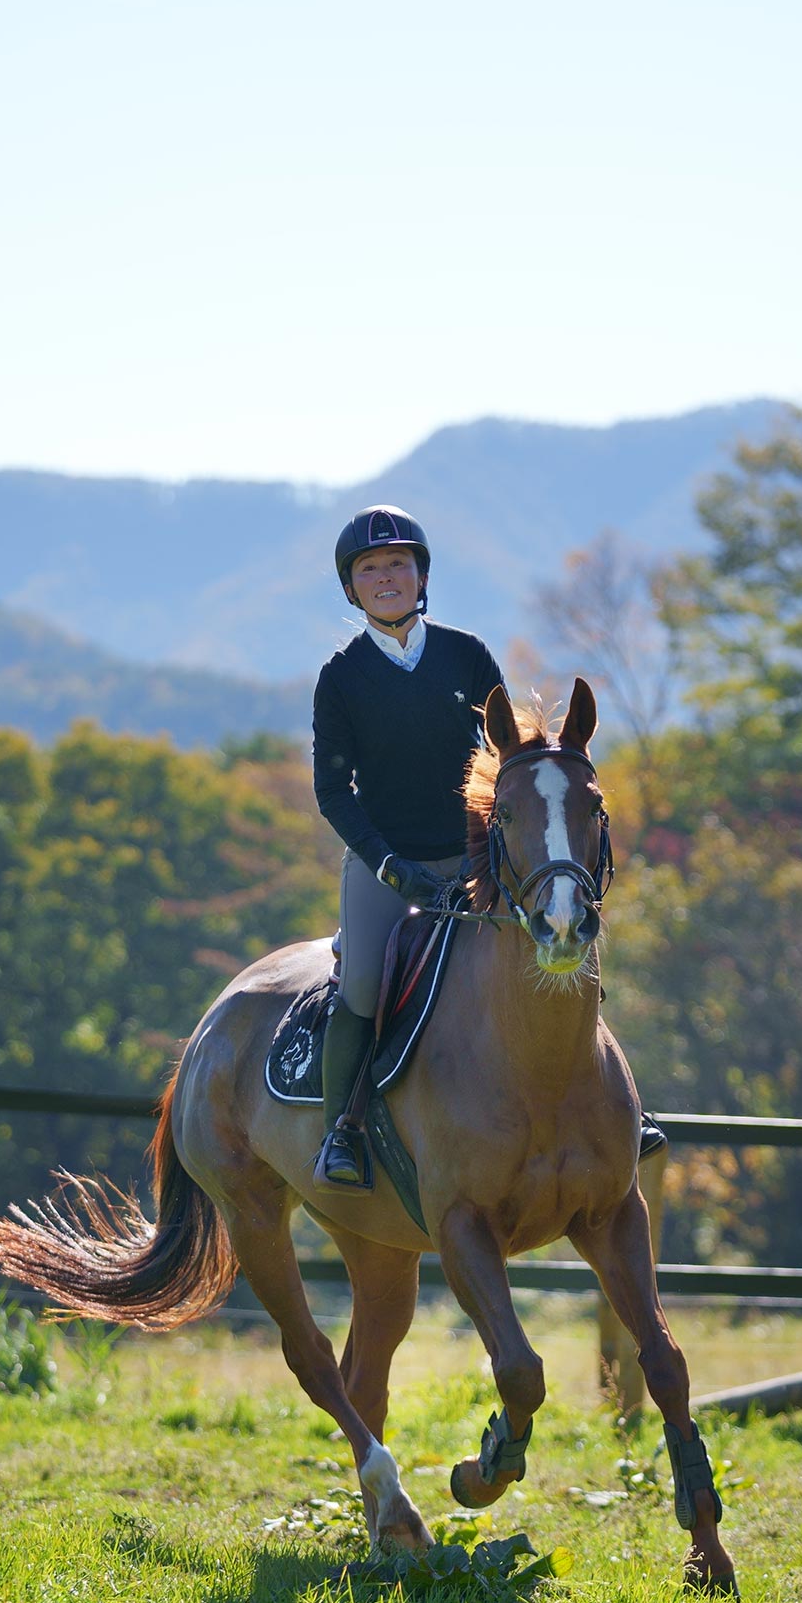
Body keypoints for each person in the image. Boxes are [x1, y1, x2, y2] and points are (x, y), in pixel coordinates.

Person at [311, 505, 507, 1189]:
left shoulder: (467, 654)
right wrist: (392, 867)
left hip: (477, 856)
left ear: (421, 575)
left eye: (398, 563)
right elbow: (333, 793)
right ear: (352, 587)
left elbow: (505, 757)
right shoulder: (340, 678)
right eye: (370, 568)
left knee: (554, 941)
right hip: (387, 862)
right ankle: (344, 1128)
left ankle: (614, 1109)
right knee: (362, 981)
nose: (386, 577)